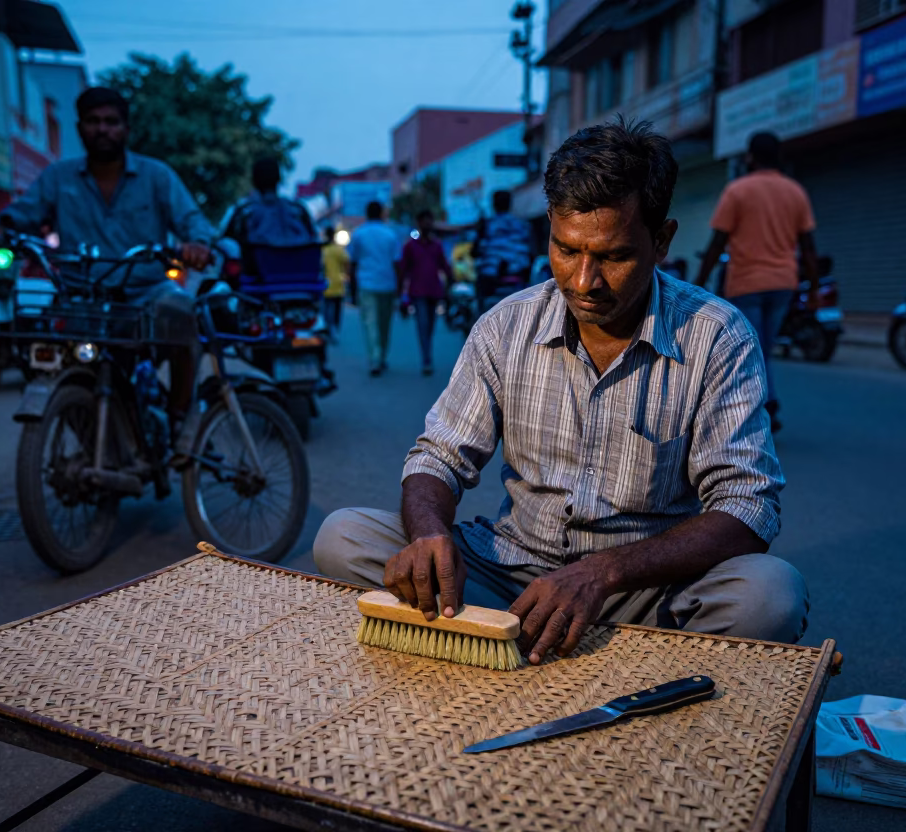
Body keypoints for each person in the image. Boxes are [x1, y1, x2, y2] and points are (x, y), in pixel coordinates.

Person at [314, 117, 807, 665]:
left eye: (614, 257)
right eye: (566, 249)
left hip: (645, 593)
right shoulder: (506, 325)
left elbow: (747, 505)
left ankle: (556, 646)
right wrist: (429, 534)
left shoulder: (718, 335)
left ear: (662, 240)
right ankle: (523, 638)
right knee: (343, 536)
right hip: (509, 578)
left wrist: (602, 573)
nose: (583, 281)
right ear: (549, 225)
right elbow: (439, 457)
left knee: (769, 593)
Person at [0, 86, 213, 458]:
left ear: (126, 129)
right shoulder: (57, 177)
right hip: (81, 298)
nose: (103, 129)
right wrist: (0, 236)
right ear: (80, 128)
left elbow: (193, 221)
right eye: (94, 122)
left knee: (182, 317)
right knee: (38, 350)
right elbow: (21, 217)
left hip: (146, 292)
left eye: (111, 122)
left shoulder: (156, 175)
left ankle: (179, 419)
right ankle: (87, 429)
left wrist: (197, 244)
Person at [695, 132, 818, 433]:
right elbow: (809, 245)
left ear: (750, 157)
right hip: (783, 284)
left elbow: (717, 242)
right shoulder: (795, 192)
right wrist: (812, 287)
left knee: (753, 350)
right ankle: (764, 404)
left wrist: (698, 282)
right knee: (762, 348)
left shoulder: (738, 191)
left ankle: (766, 405)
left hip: (747, 283)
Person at [222, 157, 317, 274]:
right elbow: (313, 239)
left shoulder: (244, 212)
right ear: (279, 179)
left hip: (259, 279)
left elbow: (227, 241)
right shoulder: (298, 210)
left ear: (254, 180)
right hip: (302, 276)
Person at [347, 201, 402, 376]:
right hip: (387, 283)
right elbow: (397, 263)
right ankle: (381, 357)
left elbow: (352, 264)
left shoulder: (358, 234)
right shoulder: (390, 234)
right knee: (384, 323)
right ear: (381, 214)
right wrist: (400, 287)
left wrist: (352, 288)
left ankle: (375, 359)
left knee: (370, 323)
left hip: (366, 283)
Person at [399, 210, 453, 375]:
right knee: (422, 325)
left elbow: (444, 265)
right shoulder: (410, 246)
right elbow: (403, 270)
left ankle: (427, 354)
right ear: (419, 223)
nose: (427, 224)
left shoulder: (436, 245)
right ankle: (426, 359)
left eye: (430, 221)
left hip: (434, 291)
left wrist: (452, 281)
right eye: (424, 221)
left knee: (430, 326)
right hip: (417, 292)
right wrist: (401, 294)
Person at [471, 189, 531, 313]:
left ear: (493, 205)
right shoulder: (523, 225)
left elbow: (474, 251)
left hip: (490, 277)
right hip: (518, 274)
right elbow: (531, 252)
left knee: (480, 304)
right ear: (510, 204)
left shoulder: (486, 224)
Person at [321, 226, 349, 342]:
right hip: (337, 285)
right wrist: (345, 274)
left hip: (324, 285)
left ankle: (326, 330)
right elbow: (347, 262)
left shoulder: (322, 250)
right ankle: (335, 330)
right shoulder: (338, 250)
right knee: (337, 310)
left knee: (325, 310)